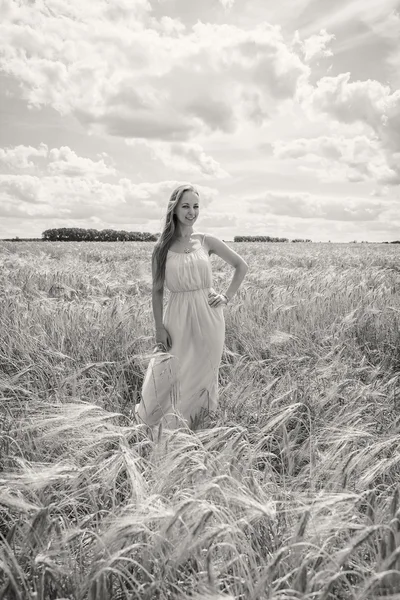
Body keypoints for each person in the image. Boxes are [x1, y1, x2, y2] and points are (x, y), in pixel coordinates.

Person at [135, 183, 248, 430]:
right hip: (176, 317)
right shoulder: (161, 248)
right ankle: (163, 425)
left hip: (210, 317)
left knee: (204, 374)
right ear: (174, 209)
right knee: (171, 371)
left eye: (196, 206)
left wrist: (226, 297)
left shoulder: (206, 241)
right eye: (185, 206)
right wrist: (158, 328)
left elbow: (241, 266)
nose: (191, 212)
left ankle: (199, 427)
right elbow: (157, 291)